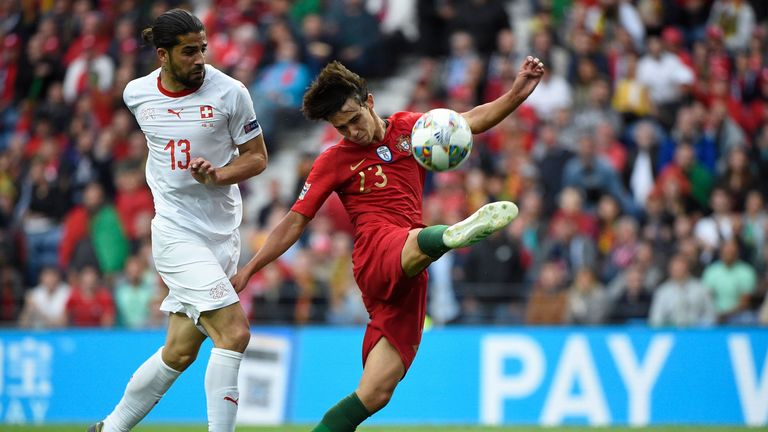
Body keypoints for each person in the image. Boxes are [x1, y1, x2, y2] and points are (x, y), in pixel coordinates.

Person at [231, 57, 544, 431]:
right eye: (341, 127)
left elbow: (470, 121)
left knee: (375, 393)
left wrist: (515, 93)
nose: (352, 132)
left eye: (354, 119)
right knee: (411, 240)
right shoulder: (332, 161)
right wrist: (250, 269)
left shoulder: (410, 128)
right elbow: (294, 222)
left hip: (410, 273)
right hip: (376, 252)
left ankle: (441, 240)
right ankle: (447, 236)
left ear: (370, 102)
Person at [89, 8, 267, 432]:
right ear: (162, 56)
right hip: (175, 233)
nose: (200, 59)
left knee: (179, 352)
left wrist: (219, 175)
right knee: (234, 334)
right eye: (189, 52)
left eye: (203, 49)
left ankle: (109, 428)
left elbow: (258, 158)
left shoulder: (231, 93)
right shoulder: (137, 94)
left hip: (222, 234)